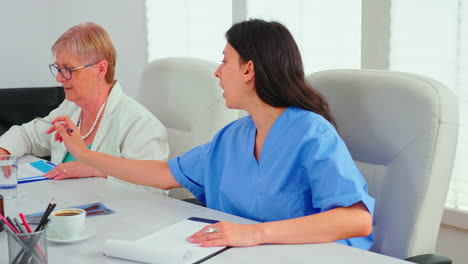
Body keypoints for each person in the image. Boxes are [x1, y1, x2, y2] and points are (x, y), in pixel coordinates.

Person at [51, 19, 374, 249]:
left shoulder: (310, 134)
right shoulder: (234, 136)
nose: (217, 72)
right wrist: (88, 155)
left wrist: (254, 234)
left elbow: (355, 221)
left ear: (248, 70)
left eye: (224, 61)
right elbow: (165, 174)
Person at [0, 22, 169, 194]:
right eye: (58, 68)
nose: (59, 78)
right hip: (64, 208)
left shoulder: (140, 123)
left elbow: (155, 189)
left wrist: (98, 170)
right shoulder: (71, 108)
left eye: (68, 69)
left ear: (101, 69)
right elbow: (27, 136)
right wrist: (3, 151)